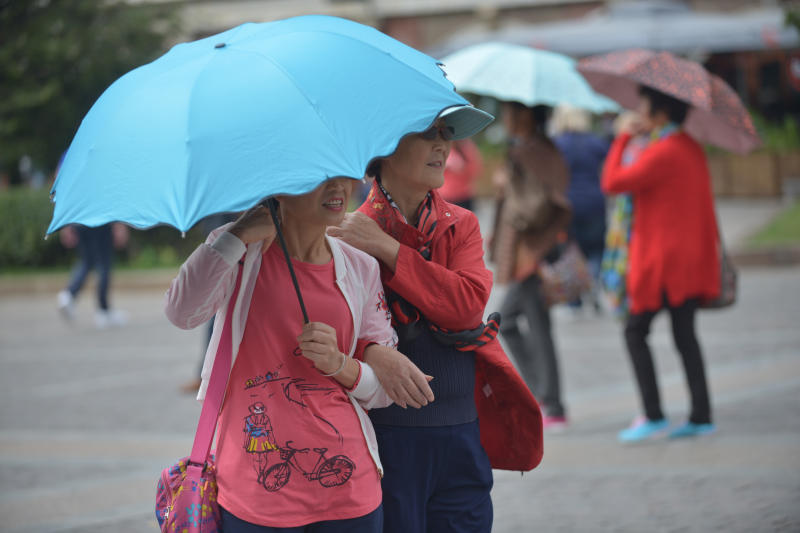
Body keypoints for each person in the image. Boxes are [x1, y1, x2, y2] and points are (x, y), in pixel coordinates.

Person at [164, 178, 426, 532]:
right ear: (281, 184)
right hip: (252, 496)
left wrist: (340, 365)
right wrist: (237, 235)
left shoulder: (359, 266)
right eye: (319, 177)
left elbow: (381, 392)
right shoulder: (239, 252)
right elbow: (182, 311)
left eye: (343, 174)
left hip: (350, 497)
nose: (338, 187)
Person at [328, 106, 542, 533]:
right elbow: (334, 331)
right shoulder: (347, 232)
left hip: (463, 428)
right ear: (384, 149)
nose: (443, 146)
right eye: (428, 134)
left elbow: (465, 307)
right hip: (387, 433)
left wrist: (389, 250)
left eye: (446, 134)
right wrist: (371, 349)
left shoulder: (460, 224)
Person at [601, 86, 720, 442]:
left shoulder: (663, 151)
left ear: (662, 113)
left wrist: (622, 140)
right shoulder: (689, 147)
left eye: (646, 106)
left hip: (663, 264)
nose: (641, 111)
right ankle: (701, 415)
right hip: (688, 261)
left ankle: (653, 414)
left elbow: (612, 182)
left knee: (635, 332)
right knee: (685, 337)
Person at [489, 102, 572, 432]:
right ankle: (544, 396)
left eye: (509, 113)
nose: (505, 120)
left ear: (524, 116)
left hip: (533, 254)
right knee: (514, 322)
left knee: (517, 323)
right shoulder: (532, 149)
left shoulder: (530, 152)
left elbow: (534, 209)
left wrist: (506, 182)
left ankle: (550, 401)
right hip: (531, 252)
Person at [552, 105, 610, 313]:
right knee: (595, 250)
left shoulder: (557, 144)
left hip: (568, 205)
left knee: (571, 250)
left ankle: (574, 298)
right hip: (595, 202)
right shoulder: (596, 142)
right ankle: (593, 286)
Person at [57, 222, 129, 328]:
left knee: (87, 261)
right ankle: (103, 311)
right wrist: (119, 224)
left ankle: (68, 295)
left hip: (80, 221)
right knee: (104, 264)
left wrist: (66, 225)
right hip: (101, 219)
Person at [439, 137, 483, 211]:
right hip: (445, 197)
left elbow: (477, 171)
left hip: (464, 196)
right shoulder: (442, 149)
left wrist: (463, 167)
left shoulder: (467, 149)